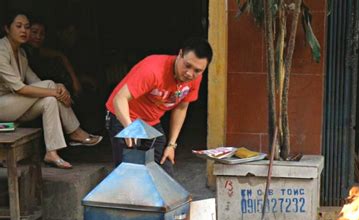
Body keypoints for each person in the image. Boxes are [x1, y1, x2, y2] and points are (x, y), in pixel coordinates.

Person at [0, 12, 102, 169]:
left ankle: (52, 152)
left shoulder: (20, 53)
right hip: (3, 106)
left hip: (14, 106)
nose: (24, 31)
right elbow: (20, 88)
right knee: (51, 91)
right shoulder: (1, 50)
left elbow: (36, 82)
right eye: (18, 26)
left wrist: (58, 87)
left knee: (49, 101)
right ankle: (75, 132)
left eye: (27, 27)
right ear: (7, 29)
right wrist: (55, 89)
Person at [105, 37, 213, 175]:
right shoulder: (153, 69)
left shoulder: (195, 78)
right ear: (180, 55)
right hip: (124, 117)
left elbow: (181, 107)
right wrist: (129, 128)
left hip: (151, 122)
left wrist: (172, 145)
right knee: (130, 175)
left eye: (197, 70)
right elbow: (119, 98)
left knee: (164, 172)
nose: (189, 73)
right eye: (187, 65)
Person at [26, 19, 81, 97]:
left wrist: (75, 80)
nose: (38, 37)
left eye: (42, 34)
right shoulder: (21, 51)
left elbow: (61, 56)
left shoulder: (36, 51)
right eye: (34, 32)